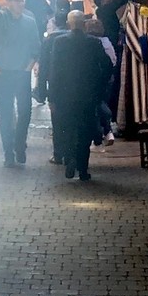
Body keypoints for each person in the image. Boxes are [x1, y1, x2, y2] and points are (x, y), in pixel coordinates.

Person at [47, 11, 112, 181]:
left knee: (67, 129)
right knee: (85, 131)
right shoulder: (94, 43)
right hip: (88, 96)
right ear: (84, 24)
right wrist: (100, 88)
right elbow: (107, 66)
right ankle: (83, 168)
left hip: (64, 96)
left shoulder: (59, 43)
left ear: (69, 24)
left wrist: (51, 96)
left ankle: (70, 159)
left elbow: (54, 71)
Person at [0, 0, 41, 167]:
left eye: (22, 0)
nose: (21, 3)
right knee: (7, 113)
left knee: (25, 111)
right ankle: (8, 151)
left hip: (21, 73)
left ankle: (19, 145)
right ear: (8, 3)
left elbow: (36, 49)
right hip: (4, 73)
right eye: (17, 1)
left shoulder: (29, 22)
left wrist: (28, 69)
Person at [36, 0, 71, 164]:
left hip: (55, 87)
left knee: (57, 121)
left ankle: (59, 154)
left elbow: (43, 68)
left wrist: (41, 91)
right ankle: (71, 153)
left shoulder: (50, 40)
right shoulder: (81, 38)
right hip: (75, 87)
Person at [85, 16, 116, 146]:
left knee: (96, 105)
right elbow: (113, 61)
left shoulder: (89, 44)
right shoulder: (107, 42)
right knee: (102, 102)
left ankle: (100, 134)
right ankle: (107, 131)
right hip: (108, 79)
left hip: (93, 79)